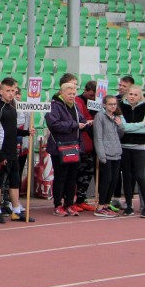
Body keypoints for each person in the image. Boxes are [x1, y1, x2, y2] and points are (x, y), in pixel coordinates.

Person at [0, 77, 35, 223]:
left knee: (15, 180)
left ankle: (16, 210)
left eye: (13, 91)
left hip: (12, 149)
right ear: (1, 92)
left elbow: (11, 130)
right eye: (7, 91)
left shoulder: (13, 108)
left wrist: (26, 132)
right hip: (1, 151)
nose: (10, 94)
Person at [47, 83, 88, 216]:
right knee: (60, 176)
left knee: (72, 177)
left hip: (75, 146)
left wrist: (86, 124)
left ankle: (69, 203)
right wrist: (75, 125)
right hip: (59, 147)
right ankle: (58, 204)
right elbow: (54, 124)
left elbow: (81, 119)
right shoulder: (54, 105)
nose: (72, 96)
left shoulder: (75, 106)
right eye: (69, 94)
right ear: (62, 93)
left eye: (74, 94)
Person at [92, 95, 125, 217]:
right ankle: (100, 206)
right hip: (106, 153)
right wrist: (101, 155)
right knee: (107, 179)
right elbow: (98, 137)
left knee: (114, 180)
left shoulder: (115, 117)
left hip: (116, 152)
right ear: (104, 105)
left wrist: (120, 125)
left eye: (115, 104)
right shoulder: (100, 117)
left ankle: (106, 204)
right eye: (110, 104)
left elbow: (120, 134)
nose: (113, 106)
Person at [120, 85, 145, 217]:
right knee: (127, 177)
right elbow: (123, 127)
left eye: (135, 94)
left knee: (141, 176)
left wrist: (132, 127)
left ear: (139, 96)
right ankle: (128, 206)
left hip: (141, 147)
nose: (132, 96)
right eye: (130, 94)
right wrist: (141, 124)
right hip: (125, 146)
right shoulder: (121, 107)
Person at [73, 81, 97, 211]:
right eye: (91, 95)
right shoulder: (78, 100)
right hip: (78, 142)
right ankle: (69, 201)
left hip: (89, 143)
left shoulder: (97, 102)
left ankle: (81, 199)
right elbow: (83, 119)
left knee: (88, 171)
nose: (92, 98)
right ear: (86, 91)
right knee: (75, 173)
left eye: (94, 96)